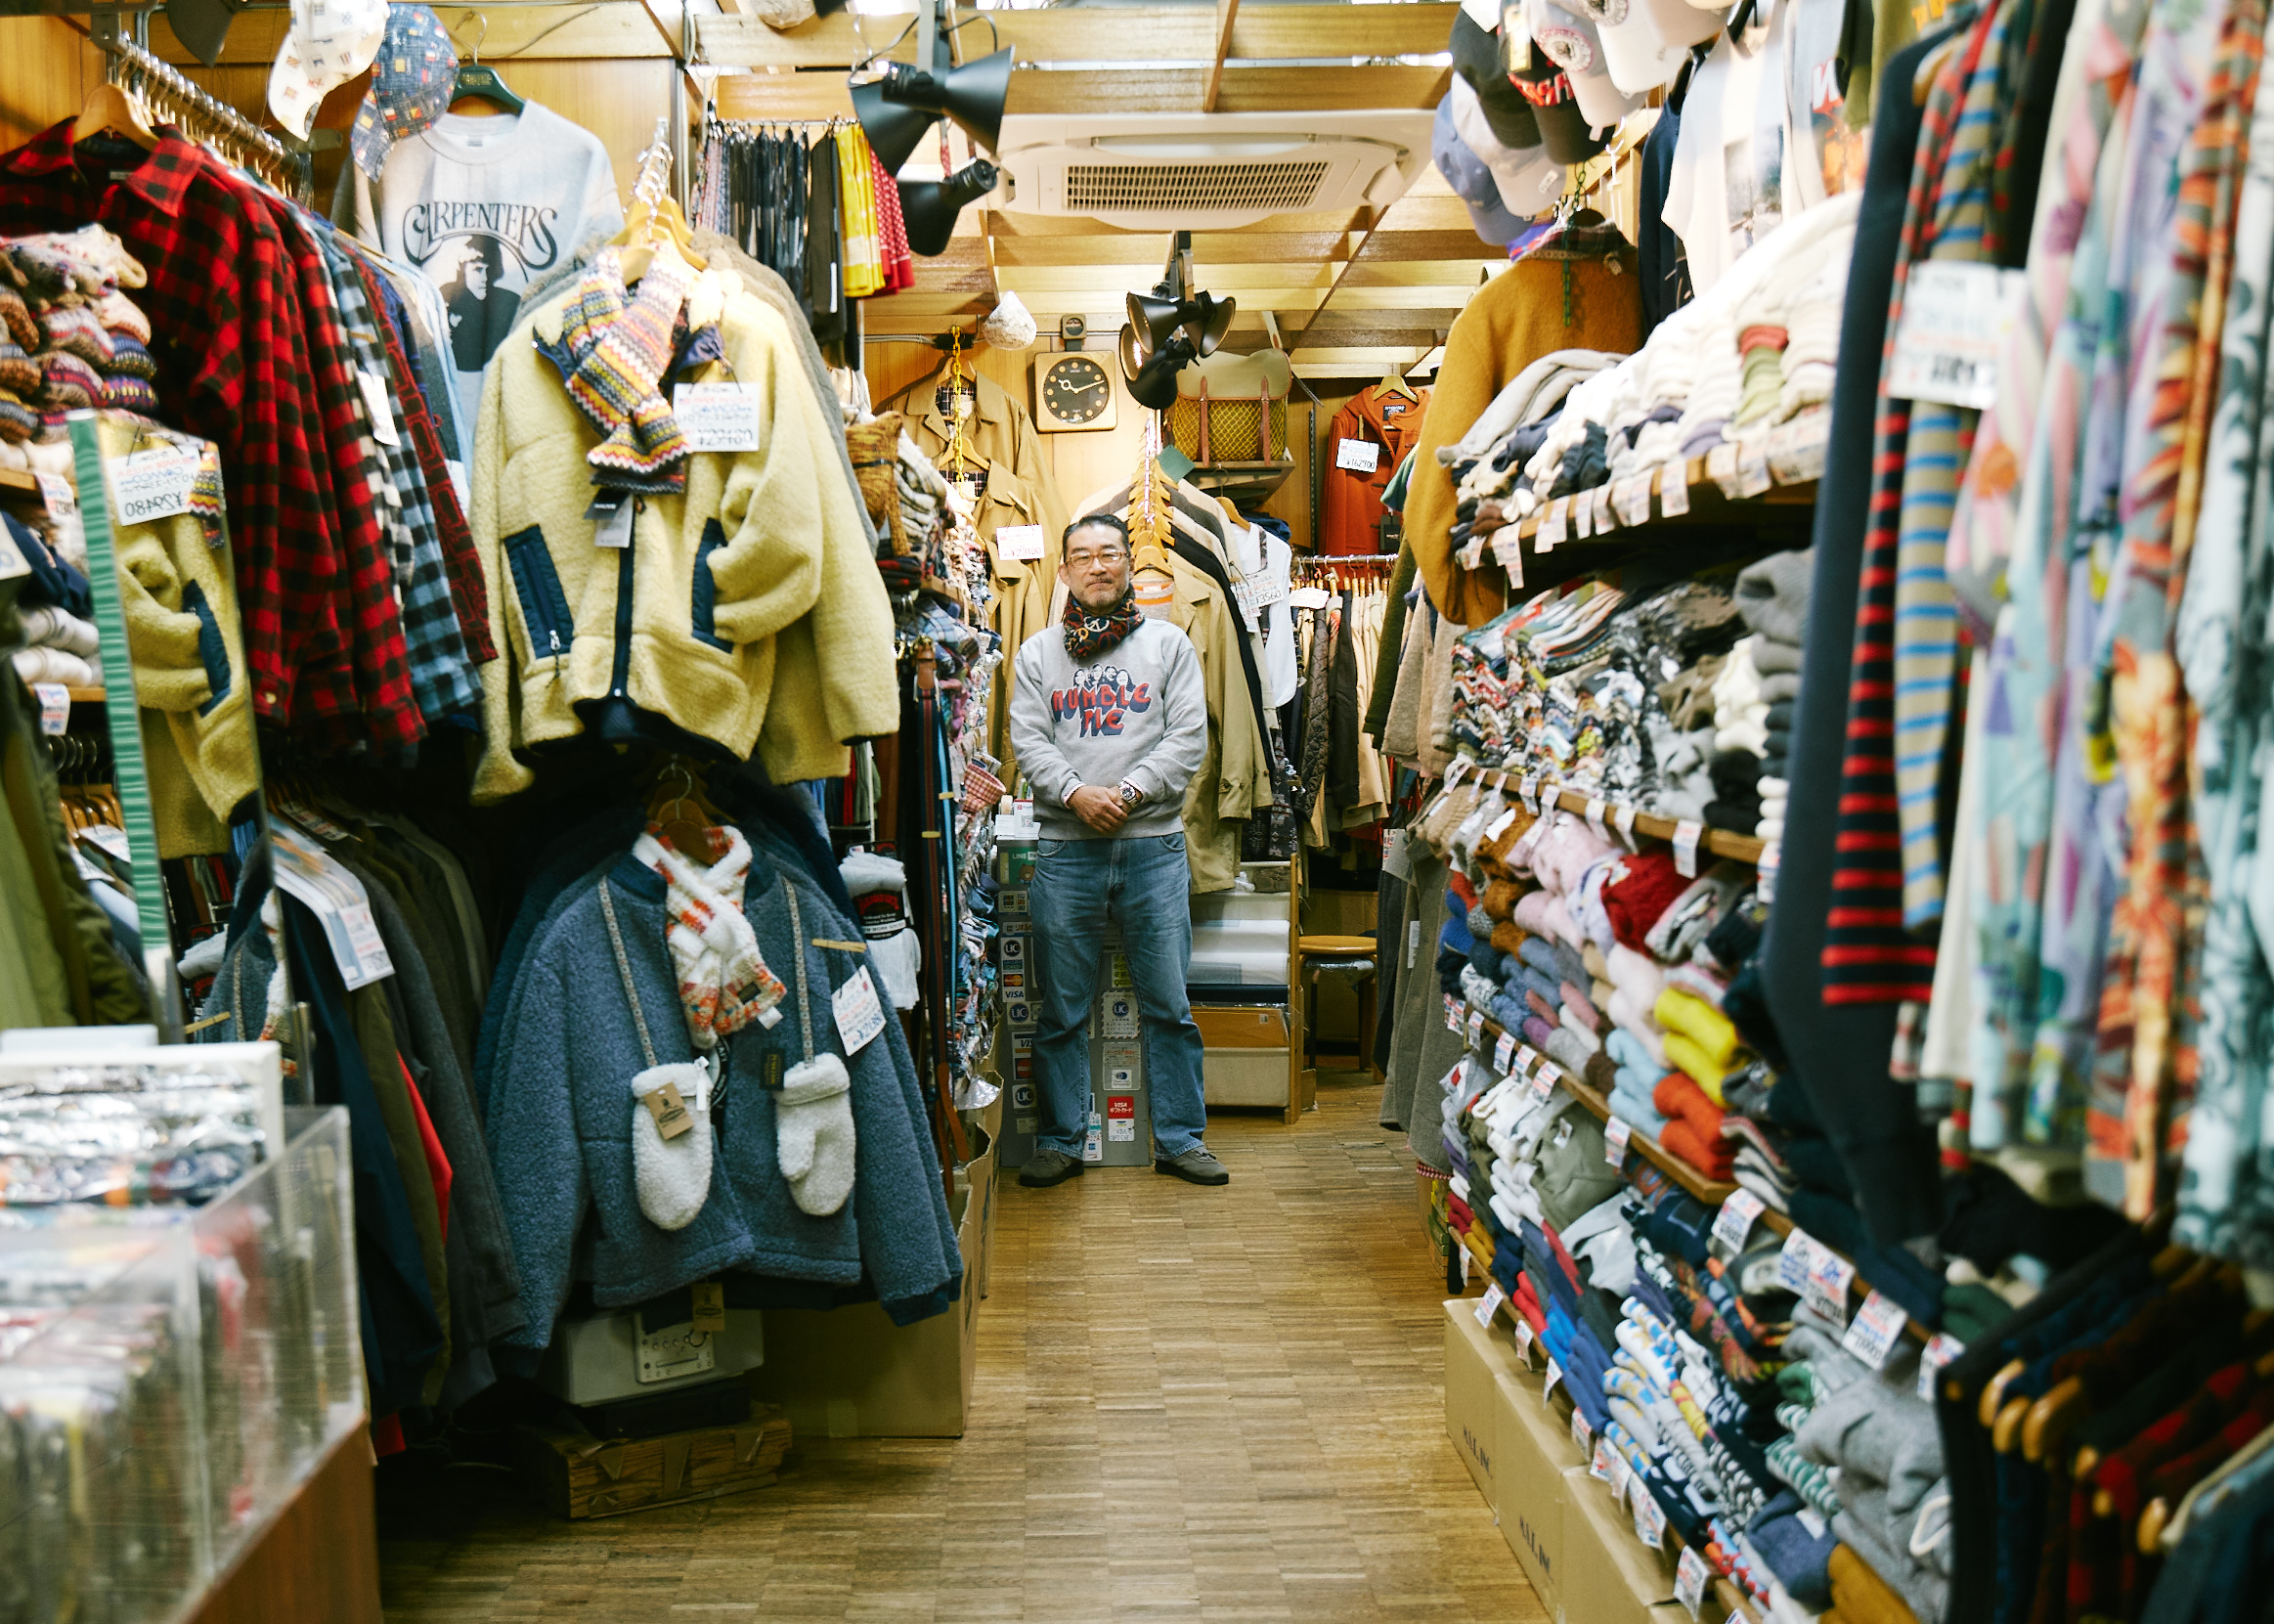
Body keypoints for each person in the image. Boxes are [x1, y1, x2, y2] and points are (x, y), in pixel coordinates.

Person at [1006, 514, 1226, 1188]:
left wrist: (1125, 792)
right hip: (1066, 851)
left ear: (1129, 563)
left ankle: (1182, 1140)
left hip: (1153, 846)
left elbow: (1188, 738)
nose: (1097, 566)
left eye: (1109, 553)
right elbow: (1029, 740)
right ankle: (1062, 1140)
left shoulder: (1168, 645)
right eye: (1083, 556)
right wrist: (1076, 793)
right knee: (1063, 1006)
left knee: (1169, 1003)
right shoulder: (1039, 654)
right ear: (1065, 571)